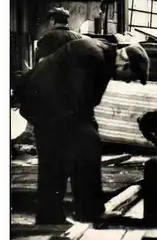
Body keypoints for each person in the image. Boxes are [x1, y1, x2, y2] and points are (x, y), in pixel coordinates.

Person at [18, 37, 150, 225]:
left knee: (81, 149)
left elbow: (88, 101)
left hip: (54, 105)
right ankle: (73, 214)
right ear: (126, 65)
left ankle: (76, 212)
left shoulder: (102, 57)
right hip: (47, 106)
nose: (128, 83)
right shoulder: (93, 56)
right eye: (131, 79)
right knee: (61, 159)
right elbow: (79, 99)